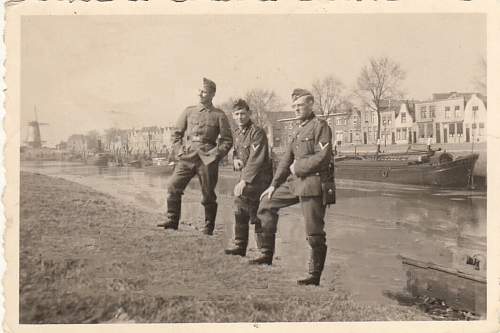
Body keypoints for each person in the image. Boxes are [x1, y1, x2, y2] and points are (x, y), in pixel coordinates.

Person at [250, 88, 334, 286]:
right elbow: (286, 159)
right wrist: (273, 185)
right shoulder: (299, 129)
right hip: (294, 183)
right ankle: (266, 255)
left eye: (300, 105)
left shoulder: (320, 126)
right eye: (294, 106)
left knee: (313, 231)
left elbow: (324, 157)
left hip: (313, 183)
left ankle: (314, 276)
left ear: (311, 104)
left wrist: (299, 167)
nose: (296, 109)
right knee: (266, 203)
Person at [157, 78, 233, 235]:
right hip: (187, 157)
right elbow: (176, 134)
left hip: (207, 160)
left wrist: (216, 156)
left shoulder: (219, 115)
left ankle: (208, 227)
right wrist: (179, 151)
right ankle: (172, 221)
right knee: (173, 186)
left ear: (212, 94)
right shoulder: (188, 111)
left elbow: (227, 140)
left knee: (208, 194)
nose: (200, 94)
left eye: (204, 91)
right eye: (199, 90)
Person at [224, 99, 273, 257]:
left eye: (243, 114)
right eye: (237, 114)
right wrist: (235, 160)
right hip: (247, 177)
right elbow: (237, 152)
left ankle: (263, 252)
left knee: (257, 212)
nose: (240, 117)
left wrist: (244, 181)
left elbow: (255, 159)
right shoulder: (238, 133)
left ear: (249, 114)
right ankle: (241, 246)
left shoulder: (256, 132)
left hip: (261, 179)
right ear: (233, 116)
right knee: (240, 207)